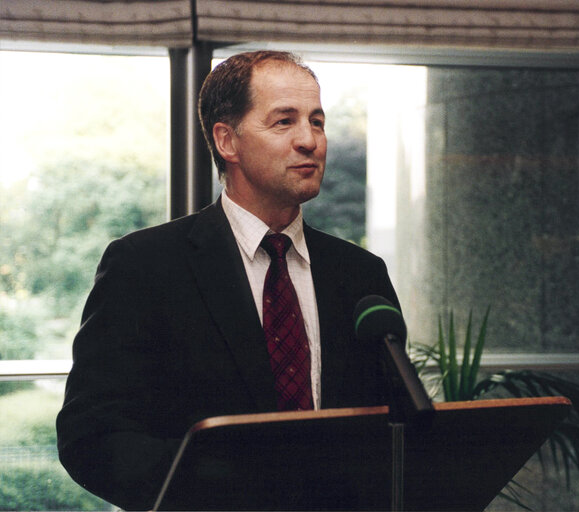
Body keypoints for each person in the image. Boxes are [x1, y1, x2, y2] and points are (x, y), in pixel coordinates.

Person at [56, 51, 399, 510]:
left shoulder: (361, 274)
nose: (309, 140)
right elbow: (93, 437)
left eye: (317, 122)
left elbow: (395, 425)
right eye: (284, 122)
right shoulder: (145, 266)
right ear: (227, 141)